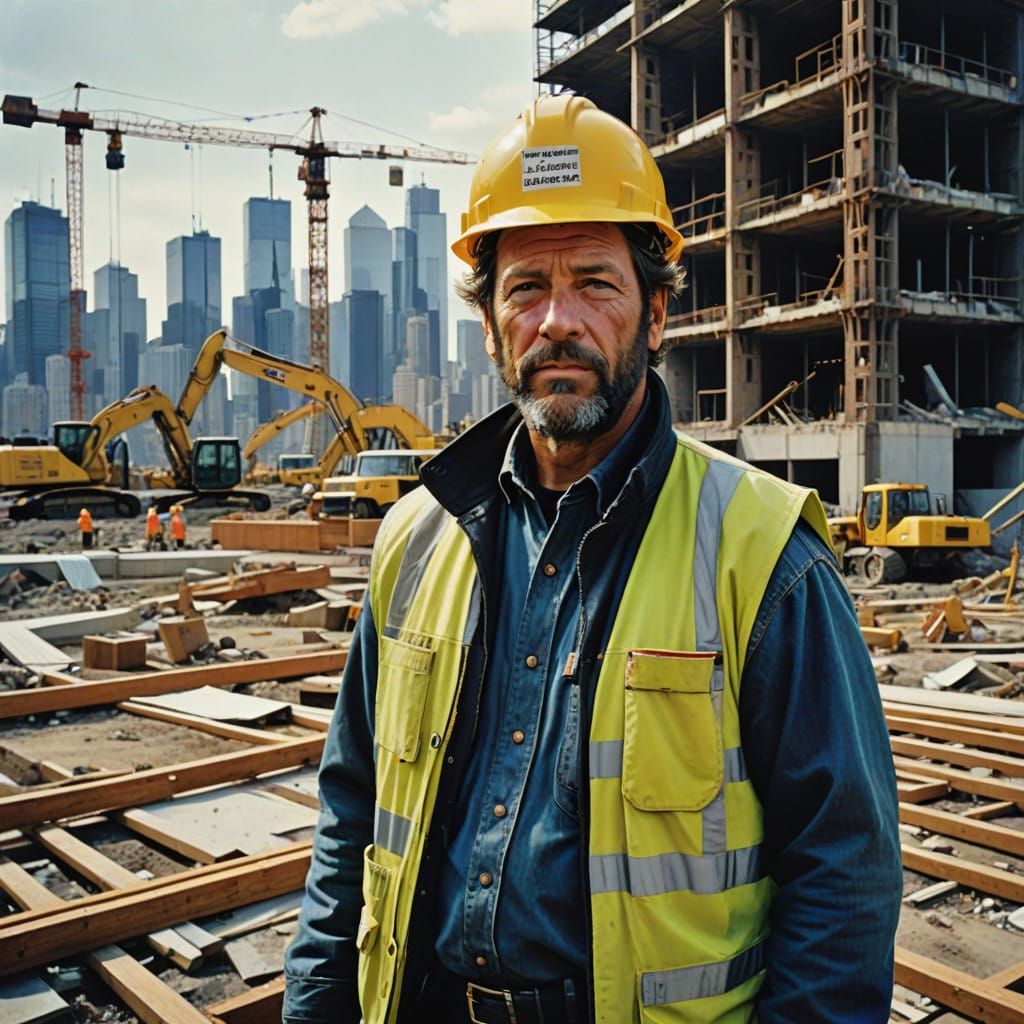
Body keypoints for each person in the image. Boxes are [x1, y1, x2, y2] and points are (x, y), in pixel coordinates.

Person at [284, 95, 901, 1024]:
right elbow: (351, 816)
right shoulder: (414, 539)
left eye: (596, 285)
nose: (557, 321)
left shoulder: (763, 554)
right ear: (490, 325)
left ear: (655, 315)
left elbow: (844, 874)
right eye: (525, 287)